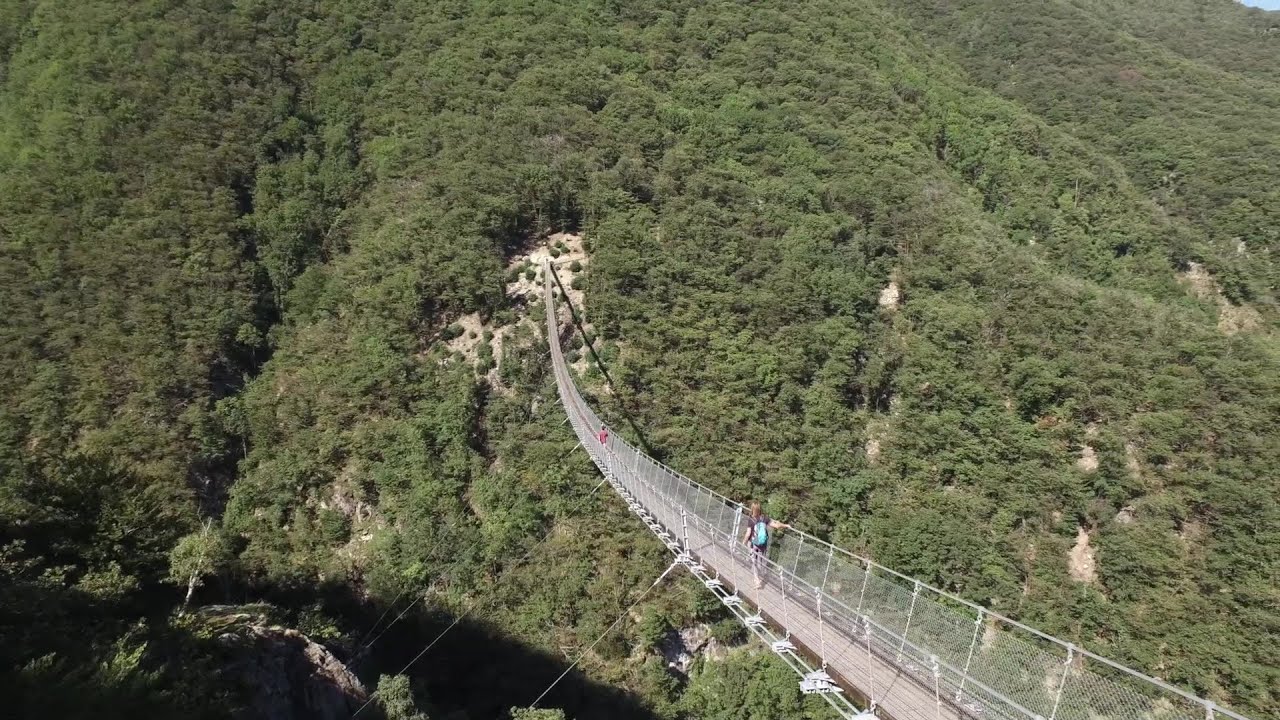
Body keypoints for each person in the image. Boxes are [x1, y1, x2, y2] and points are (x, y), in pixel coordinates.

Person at [742, 501, 790, 589]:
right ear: (760, 509)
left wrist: (743, 542)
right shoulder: (765, 518)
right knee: (760, 562)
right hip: (762, 544)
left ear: (752, 509)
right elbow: (776, 526)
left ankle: (757, 580)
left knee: (754, 561)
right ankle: (761, 575)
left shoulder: (751, 520)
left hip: (753, 544)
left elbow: (748, 534)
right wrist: (786, 525)